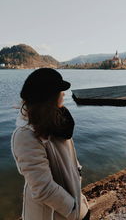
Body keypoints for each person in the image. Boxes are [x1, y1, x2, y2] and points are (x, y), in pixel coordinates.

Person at [11, 68, 91, 220]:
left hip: (77, 206)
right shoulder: (25, 135)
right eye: (61, 90)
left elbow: (68, 159)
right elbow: (43, 188)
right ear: (49, 97)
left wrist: (77, 175)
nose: (64, 94)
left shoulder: (58, 122)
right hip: (53, 214)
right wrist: (72, 208)